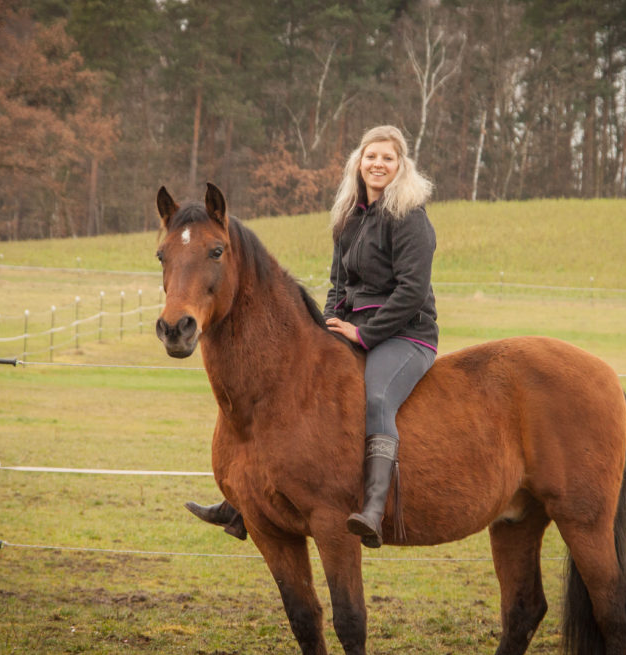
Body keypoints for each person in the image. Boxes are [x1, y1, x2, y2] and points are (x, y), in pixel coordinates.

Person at [186, 125, 438, 548]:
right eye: (371, 156)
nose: (378, 164)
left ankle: (373, 508)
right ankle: (244, 501)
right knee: (287, 389)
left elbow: (412, 292)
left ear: (401, 167)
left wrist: (364, 333)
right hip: (352, 329)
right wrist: (326, 326)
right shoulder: (348, 217)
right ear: (359, 162)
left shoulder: (410, 219)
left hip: (405, 335)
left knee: (375, 398)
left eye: (388, 158)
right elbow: (338, 284)